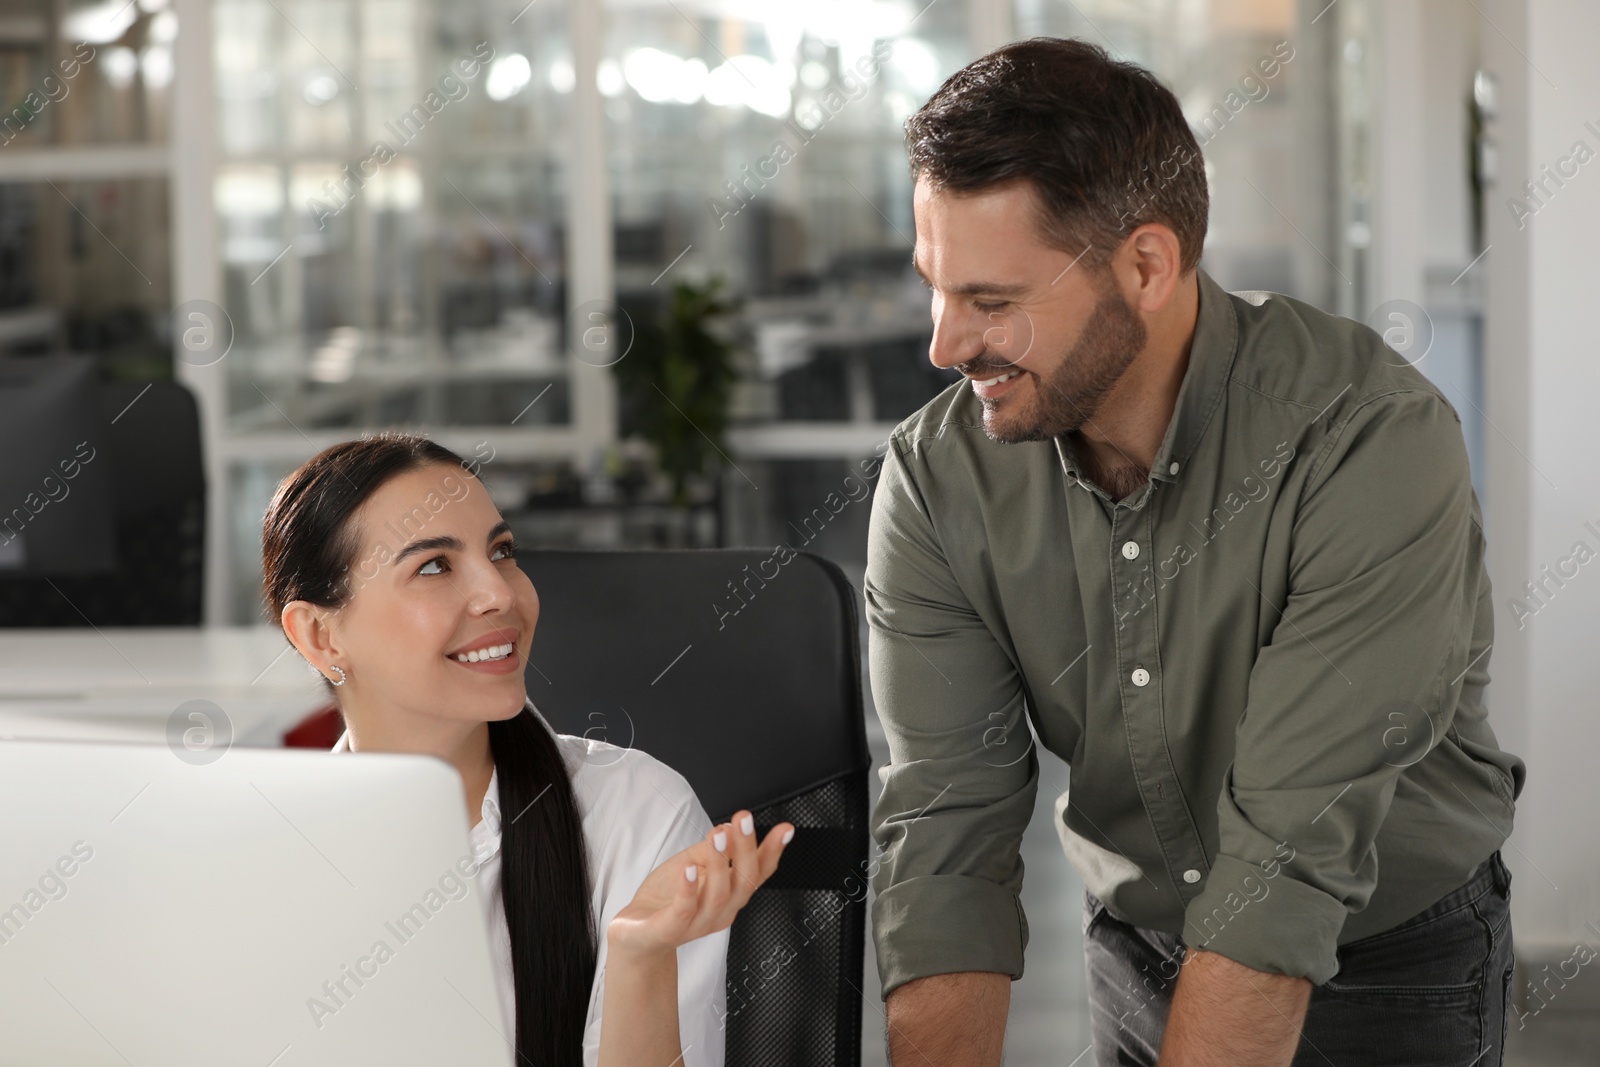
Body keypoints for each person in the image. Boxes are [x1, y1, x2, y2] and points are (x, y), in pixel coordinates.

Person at [865, 37, 1525, 1067]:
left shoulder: (1364, 440)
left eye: (992, 302)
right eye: (936, 288)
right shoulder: (938, 479)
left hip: (1386, 959)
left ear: (1146, 265)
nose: (944, 347)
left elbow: (1284, 859)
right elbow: (946, 833)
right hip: (1136, 944)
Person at [262, 432, 792, 1067]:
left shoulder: (634, 816)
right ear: (320, 636)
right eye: (434, 565)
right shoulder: (264, 853)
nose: (502, 595)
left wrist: (638, 958)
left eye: (502, 552)